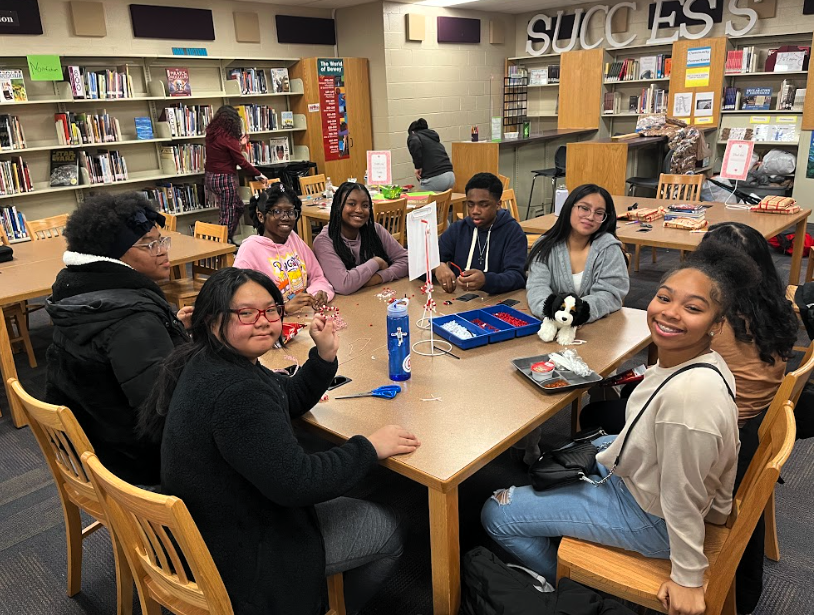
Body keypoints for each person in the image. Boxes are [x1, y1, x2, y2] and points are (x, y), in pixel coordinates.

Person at [482, 244, 758, 615]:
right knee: (577, 448)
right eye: (664, 298)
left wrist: (688, 577)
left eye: (693, 308)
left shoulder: (689, 401)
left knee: (496, 513)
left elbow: (682, 495)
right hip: (646, 483)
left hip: (653, 517)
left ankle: (571, 589)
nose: (671, 313)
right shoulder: (700, 360)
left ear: (717, 324)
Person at [143, 267, 420, 615]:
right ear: (213, 321)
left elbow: (281, 395)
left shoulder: (211, 359)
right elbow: (298, 482)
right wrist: (370, 448)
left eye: (271, 309)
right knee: (390, 526)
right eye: (246, 313)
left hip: (215, 521)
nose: (263, 321)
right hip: (244, 552)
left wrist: (323, 358)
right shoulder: (235, 392)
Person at [579, 221, 798, 615]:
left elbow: (673, 379)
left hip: (709, 435)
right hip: (743, 425)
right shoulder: (777, 308)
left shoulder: (721, 327)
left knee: (597, 410)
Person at [44, 192, 190, 486]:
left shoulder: (77, 293)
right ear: (114, 255)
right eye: (150, 244)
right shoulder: (132, 321)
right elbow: (168, 412)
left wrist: (172, 330)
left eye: (162, 240)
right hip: (138, 463)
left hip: (96, 445)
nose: (162, 250)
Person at [526, 184, 629, 324]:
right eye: (584, 208)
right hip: (551, 324)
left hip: (597, 329)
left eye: (599, 213)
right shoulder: (544, 246)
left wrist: (575, 314)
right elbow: (537, 287)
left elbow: (609, 294)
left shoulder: (608, 249)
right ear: (569, 207)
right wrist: (553, 314)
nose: (591, 216)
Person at [234, 183, 334, 313]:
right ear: (261, 216)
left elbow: (317, 276)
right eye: (277, 211)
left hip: (304, 318)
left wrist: (317, 293)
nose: (286, 218)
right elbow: (238, 301)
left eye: (290, 212)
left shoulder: (293, 239)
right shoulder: (249, 250)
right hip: (269, 326)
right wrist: (281, 309)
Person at [434, 172, 526, 295]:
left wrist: (486, 281)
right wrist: (436, 267)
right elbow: (422, 263)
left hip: (495, 302)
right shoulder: (458, 229)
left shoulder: (513, 232)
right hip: (459, 301)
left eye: (484, 205)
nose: (475, 211)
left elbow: (517, 277)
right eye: (470, 205)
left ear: (498, 204)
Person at [313, 182, 409, 295]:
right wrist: (376, 262)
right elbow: (343, 284)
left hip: (375, 297)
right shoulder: (324, 241)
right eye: (351, 204)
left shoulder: (375, 230)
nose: (359, 210)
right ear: (338, 206)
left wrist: (378, 277)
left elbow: (406, 261)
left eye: (365, 205)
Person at [204, 105, 268, 242]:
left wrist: (239, 143)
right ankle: (223, 243)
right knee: (229, 213)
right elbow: (241, 162)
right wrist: (258, 174)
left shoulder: (212, 134)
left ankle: (226, 239)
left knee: (236, 207)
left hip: (211, 178)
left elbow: (224, 150)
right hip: (224, 179)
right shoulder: (228, 138)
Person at [407, 118, 455, 192]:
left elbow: (414, 142)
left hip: (436, 179)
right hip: (451, 176)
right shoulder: (432, 138)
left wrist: (417, 167)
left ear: (412, 131)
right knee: (439, 201)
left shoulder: (414, 136)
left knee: (417, 200)